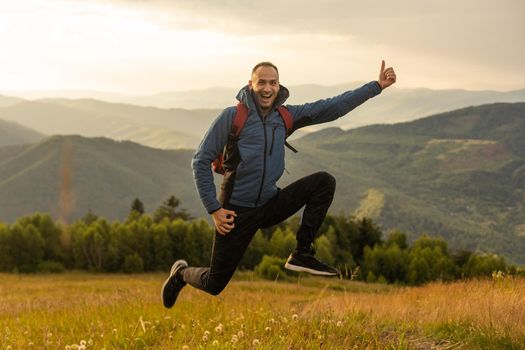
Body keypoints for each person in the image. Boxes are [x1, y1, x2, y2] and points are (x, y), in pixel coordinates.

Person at [162, 60, 396, 308]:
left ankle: (302, 253)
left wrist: (377, 86)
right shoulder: (233, 117)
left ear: (278, 85)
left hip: (270, 203)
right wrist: (214, 209)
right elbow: (201, 160)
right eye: (261, 82)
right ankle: (180, 274)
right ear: (251, 85)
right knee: (214, 283)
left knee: (323, 182)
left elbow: (333, 107)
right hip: (235, 213)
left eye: (272, 83)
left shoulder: (284, 116)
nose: (267, 88)